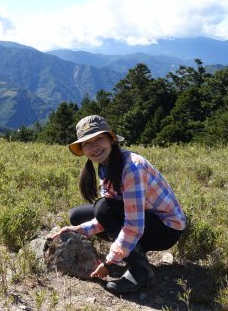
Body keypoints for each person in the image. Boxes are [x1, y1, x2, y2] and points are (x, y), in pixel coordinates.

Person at [52, 115, 186, 294]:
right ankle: (129, 251)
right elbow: (111, 214)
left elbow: (133, 225)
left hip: (166, 229)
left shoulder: (131, 167)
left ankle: (140, 270)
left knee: (102, 207)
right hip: (144, 220)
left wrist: (109, 262)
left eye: (99, 138)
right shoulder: (105, 165)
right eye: (87, 143)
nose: (94, 147)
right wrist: (82, 230)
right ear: (83, 149)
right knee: (78, 216)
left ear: (111, 139)